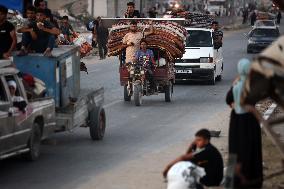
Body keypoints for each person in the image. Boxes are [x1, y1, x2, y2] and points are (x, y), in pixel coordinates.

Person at [226, 58, 263, 188]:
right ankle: (252, 180)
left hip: (236, 120)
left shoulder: (236, 83)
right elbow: (253, 103)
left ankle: (232, 181)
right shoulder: (251, 85)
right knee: (250, 149)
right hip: (249, 121)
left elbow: (228, 99)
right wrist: (260, 118)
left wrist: (234, 104)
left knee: (235, 149)